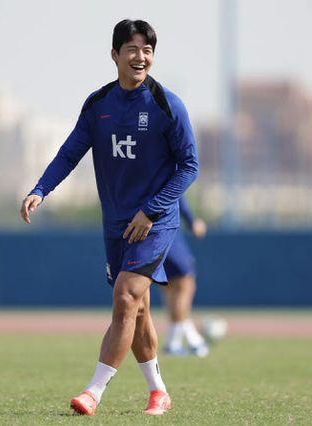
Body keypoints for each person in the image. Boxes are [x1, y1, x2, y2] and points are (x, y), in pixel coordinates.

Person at [20, 19, 198, 416]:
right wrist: (40, 189)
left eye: (147, 50)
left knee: (125, 297)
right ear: (115, 55)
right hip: (115, 223)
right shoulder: (98, 105)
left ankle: (93, 392)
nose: (141, 57)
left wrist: (151, 210)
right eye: (132, 49)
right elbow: (70, 153)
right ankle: (159, 392)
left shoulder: (168, 105)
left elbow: (190, 166)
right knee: (138, 308)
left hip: (154, 222)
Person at [161, 196, 209, 357]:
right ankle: (193, 341)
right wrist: (192, 221)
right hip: (166, 230)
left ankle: (174, 343)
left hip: (147, 237)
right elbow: (175, 192)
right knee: (185, 284)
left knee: (170, 289)